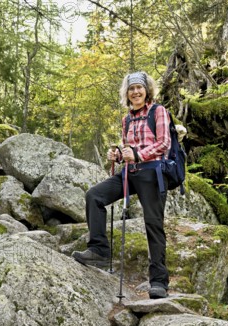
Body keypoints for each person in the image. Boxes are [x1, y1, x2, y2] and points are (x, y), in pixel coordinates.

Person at [72, 71, 170, 299]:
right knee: (95, 196)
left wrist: (138, 154)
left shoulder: (158, 112)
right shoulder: (126, 119)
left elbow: (164, 143)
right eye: (131, 88)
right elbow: (129, 149)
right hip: (130, 172)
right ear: (126, 93)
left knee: (153, 224)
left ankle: (159, 281)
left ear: (147, 90)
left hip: (152, 173)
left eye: (139, 88)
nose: (136, 92)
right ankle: (99, 250)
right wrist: (118, 155)